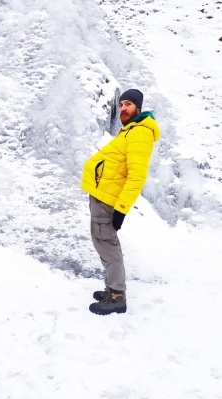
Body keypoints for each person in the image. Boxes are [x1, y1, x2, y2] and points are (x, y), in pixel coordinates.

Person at [80, 89, 160, 315]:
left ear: (138, 107)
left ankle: (116, 295)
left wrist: (121, 210)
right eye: (121, 104)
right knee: (102, 241)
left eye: (129, 104)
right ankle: (112, 288)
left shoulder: (140, 133)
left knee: (107, 243)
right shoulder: (130, 131)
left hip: (108, 199)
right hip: (101, 194)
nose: (124, 108)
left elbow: (137, 176)